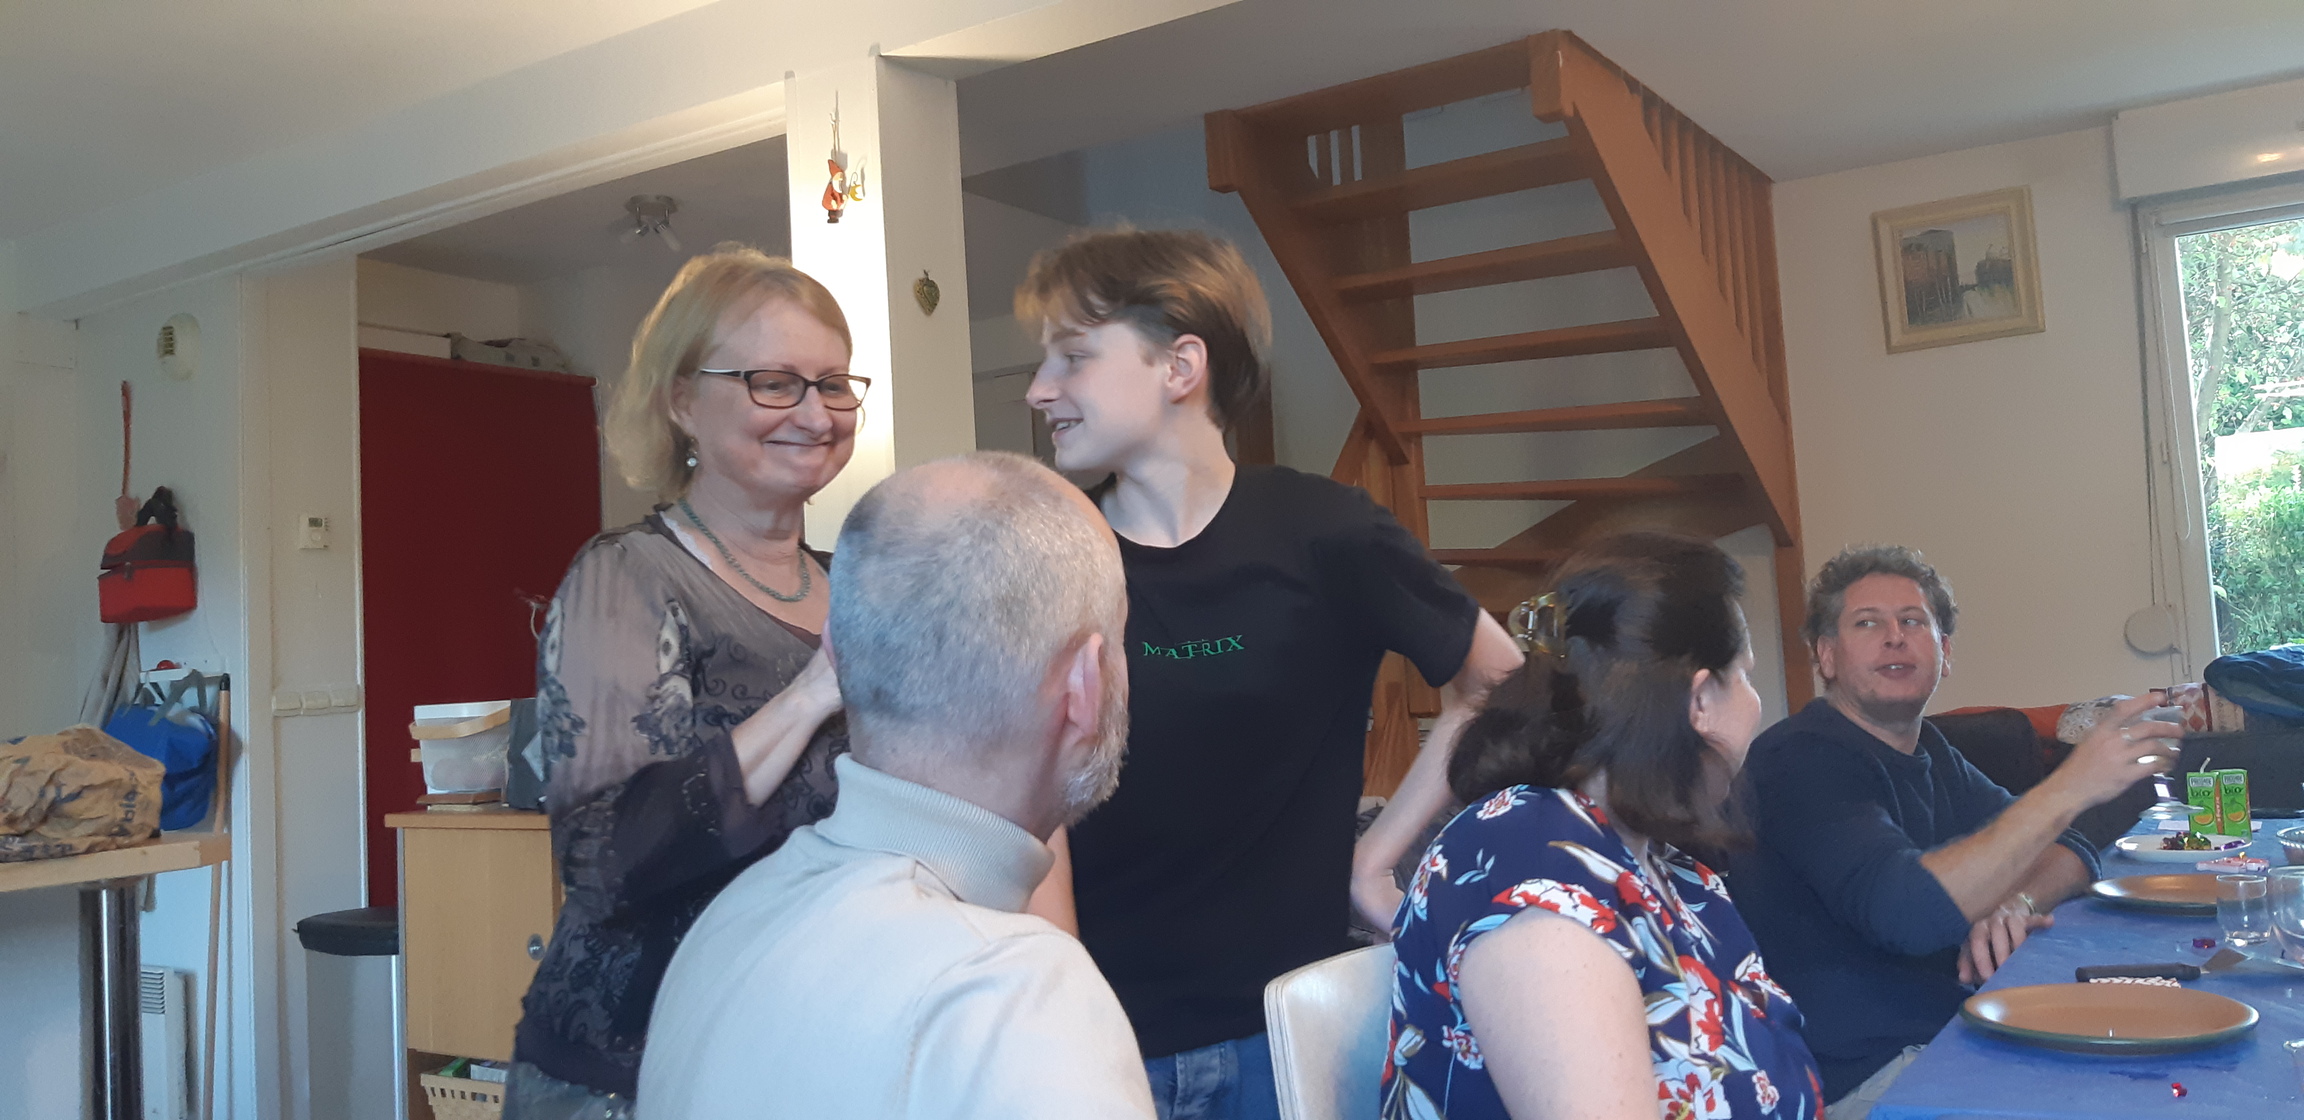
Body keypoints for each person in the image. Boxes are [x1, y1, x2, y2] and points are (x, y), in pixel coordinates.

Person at [1014, 228, 1526, 1119]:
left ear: (1180, 366)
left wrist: (1375, 856)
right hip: (1105, 1044)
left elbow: (1499, 685)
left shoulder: (1327, 532)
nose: (1038, 389)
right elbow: (1035, 799)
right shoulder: (1052, 555)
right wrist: (1065, 1016)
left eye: (1074, 357)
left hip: (1291, 1043)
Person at [637, 452, 1156, 1119]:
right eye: (1120, 644)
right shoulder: (1012, 995)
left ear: (836, 652)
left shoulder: (730, 921)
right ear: (1084, 687)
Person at [505, 248, 866, 1118]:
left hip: (809, 1054)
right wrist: (812, 694)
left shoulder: (856, 583)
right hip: (637, 1069)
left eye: (833, 384)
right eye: (774, 383)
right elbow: (603, 860)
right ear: (682, 402)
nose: (815, 413)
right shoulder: (625, 577)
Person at [1384, 532, 1824, 1120]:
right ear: (1698, 701)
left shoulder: (1659, 863)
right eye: (1745, 674)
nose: (1755, 701)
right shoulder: (1529, 870)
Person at [1729, 546, 2181, 1116]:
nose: (1895, 637)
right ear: (1826, 656)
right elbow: (1907, 915)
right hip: (1860, 1078)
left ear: (1944, 654)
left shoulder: (1930, 750)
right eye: (1867, 623)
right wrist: (2069, 787)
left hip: (1952, 1036)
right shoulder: (1798, 760)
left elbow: (2068, 848)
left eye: (1913, 621)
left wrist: (2014, 902)